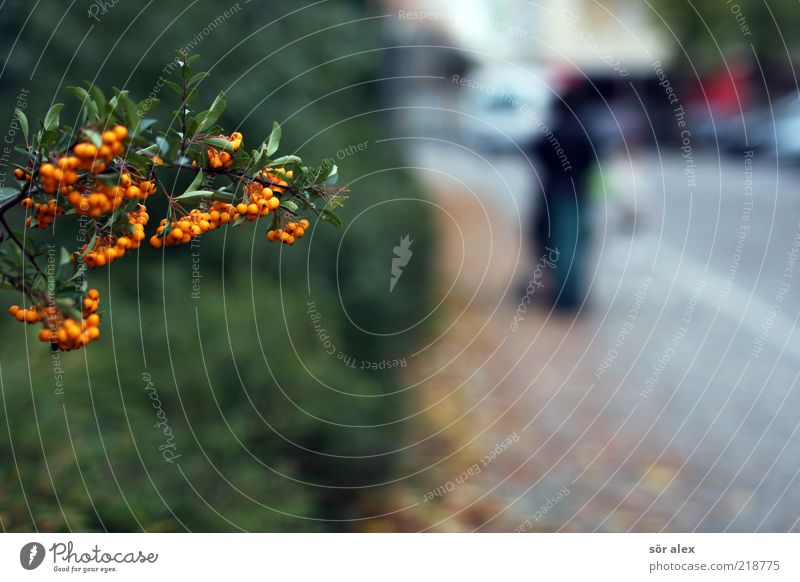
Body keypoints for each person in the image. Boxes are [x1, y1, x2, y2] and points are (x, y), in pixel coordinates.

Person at [527, 78, 599, 311]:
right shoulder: (585, 132)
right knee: (575, 246)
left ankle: (564, 297)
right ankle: (571, 295)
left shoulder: (553, 133)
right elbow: (593, 162)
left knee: (561, 247)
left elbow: (537, 152)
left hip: (556, 195)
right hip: (579, 194)